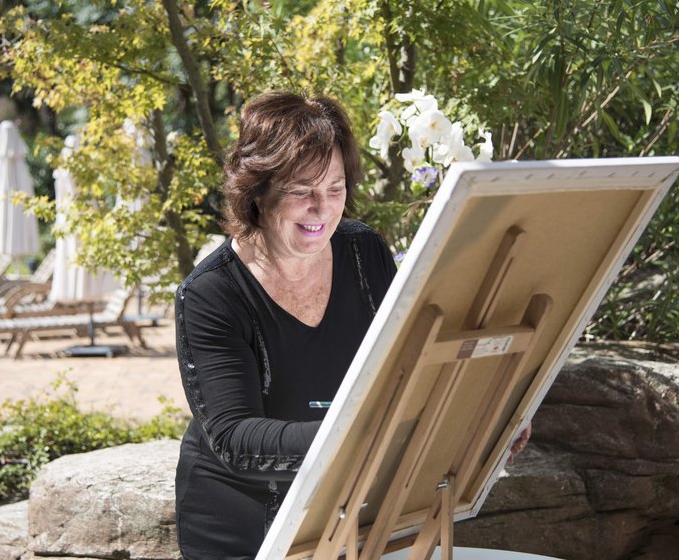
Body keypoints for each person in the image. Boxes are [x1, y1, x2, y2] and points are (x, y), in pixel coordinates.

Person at [173, 90, 531, 559]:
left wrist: (485, 419)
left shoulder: (364, 254)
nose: (322, 208)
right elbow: (236, 439)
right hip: (243, 529)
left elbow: (414, 362)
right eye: (301, 191)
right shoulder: (211, 295)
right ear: (257, 189)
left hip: (345, 517)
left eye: (335, 188)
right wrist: (362, 435)